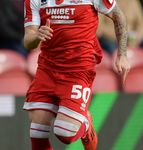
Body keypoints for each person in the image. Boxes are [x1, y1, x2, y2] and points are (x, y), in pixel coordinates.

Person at [23, 0, 131, 150]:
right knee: (37, 132)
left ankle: (85, 124)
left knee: (64, 133)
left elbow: (119, 17)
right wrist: (36, 37)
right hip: (47, 69)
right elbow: (28, 40)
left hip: (78, 69)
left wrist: (122, 55)